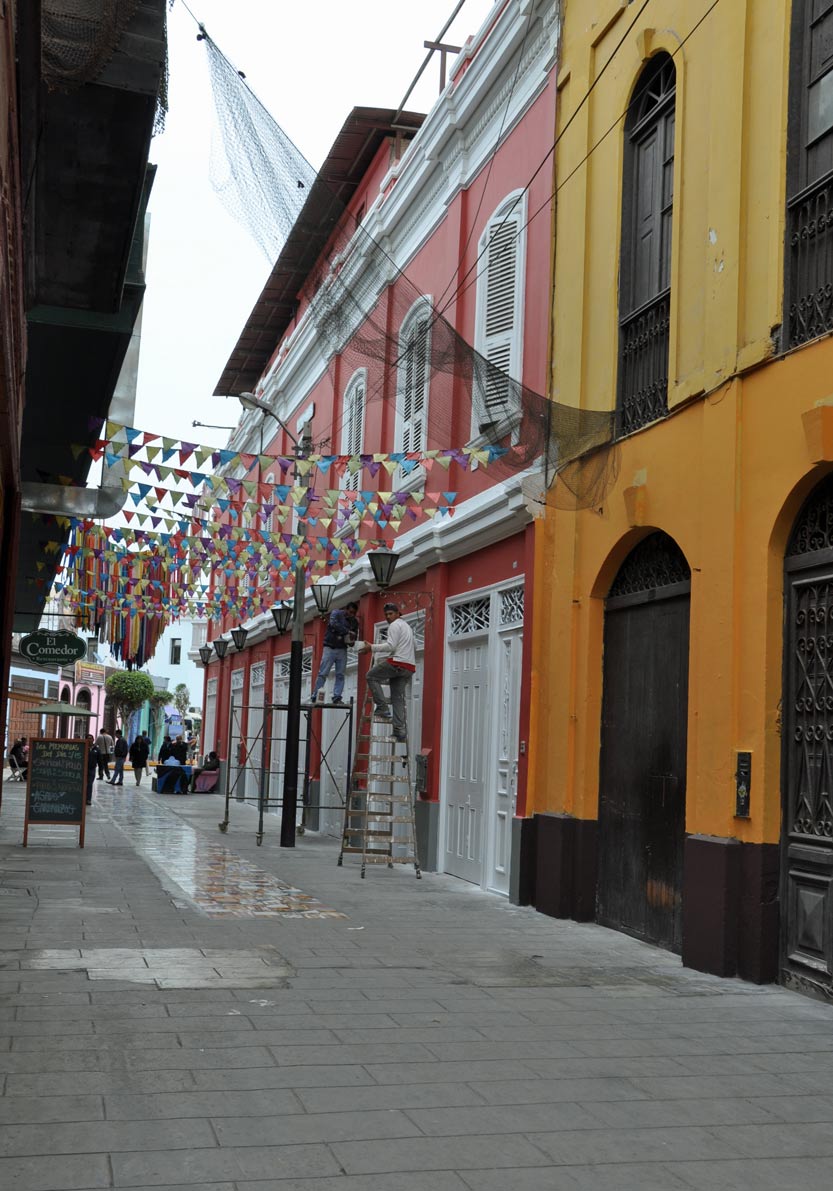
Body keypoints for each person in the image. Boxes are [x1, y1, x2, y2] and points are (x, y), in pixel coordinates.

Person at [359, 603, 415, 743]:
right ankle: (399, 731)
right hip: (409, 667)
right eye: (386, 615)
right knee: (397, 698)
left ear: (398, 613)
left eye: (391, 614)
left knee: (371, 676)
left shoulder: (394, 625)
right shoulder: (407, 627)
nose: (388, 617)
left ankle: (382, 707)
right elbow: (413, 646)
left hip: (398, 663)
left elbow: (391, 646)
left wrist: (371, 647)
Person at [311, 601, 360, 705]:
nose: (352, 615)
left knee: (340, 674)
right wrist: (347, 631)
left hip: (342, 648)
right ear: (346, 609)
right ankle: (315, 695)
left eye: (354, 613)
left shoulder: (354, 622)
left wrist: (352, 639)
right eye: (350, 612)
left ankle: (337, 697)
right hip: (330, 647)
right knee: (323, 673)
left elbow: (354, 635)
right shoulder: (336, 613)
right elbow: (333, 624)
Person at [85, 735, 98, 805]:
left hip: (92, 769)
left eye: (90, 739)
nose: (89, 740)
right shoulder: (83, 747)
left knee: (90, 784)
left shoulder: (96, 749)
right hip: (83, 768)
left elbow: (99, 759)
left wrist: (101, 770)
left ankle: (88, 799)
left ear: (93, 740)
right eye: (88, 739)